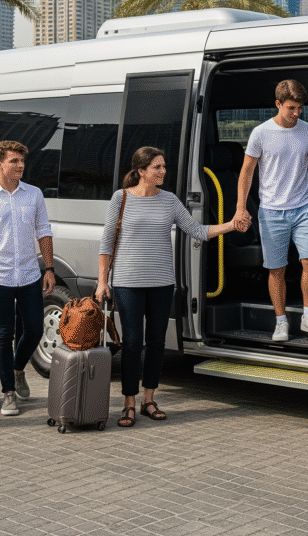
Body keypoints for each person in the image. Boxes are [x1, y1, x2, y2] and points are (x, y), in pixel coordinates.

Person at [95, 146, 249, 427]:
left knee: (156, 343)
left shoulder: (169, 200)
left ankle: (148, 400)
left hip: (162, 282)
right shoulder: (122, 198)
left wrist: (231, 225)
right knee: (131, 343)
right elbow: (106, 244)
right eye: (157, 167)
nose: (163, 171)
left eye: (164, 166)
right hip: (128, 282)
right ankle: (128, 403)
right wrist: (102, 281)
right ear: (141, 171)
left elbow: (198, 230)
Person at [234, 79, 308, 342]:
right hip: (272, 211)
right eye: (291, 108)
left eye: (300, 108)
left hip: (304, 207)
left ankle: (307, 316)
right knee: (277, 269)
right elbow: (247, 172)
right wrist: (240, 208)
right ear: (278, 104)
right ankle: (281, 321)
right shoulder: (260, 133)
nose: (297, 113)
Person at [0, 140, 55, 417]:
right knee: (4, 334)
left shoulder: (34, 194)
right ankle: (8, 393)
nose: (20, 165)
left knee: (35, 330)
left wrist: (49, 268)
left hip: (29, 274)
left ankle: (18, 370)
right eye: (14, 161)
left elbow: (44, 232)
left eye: (22, 161)